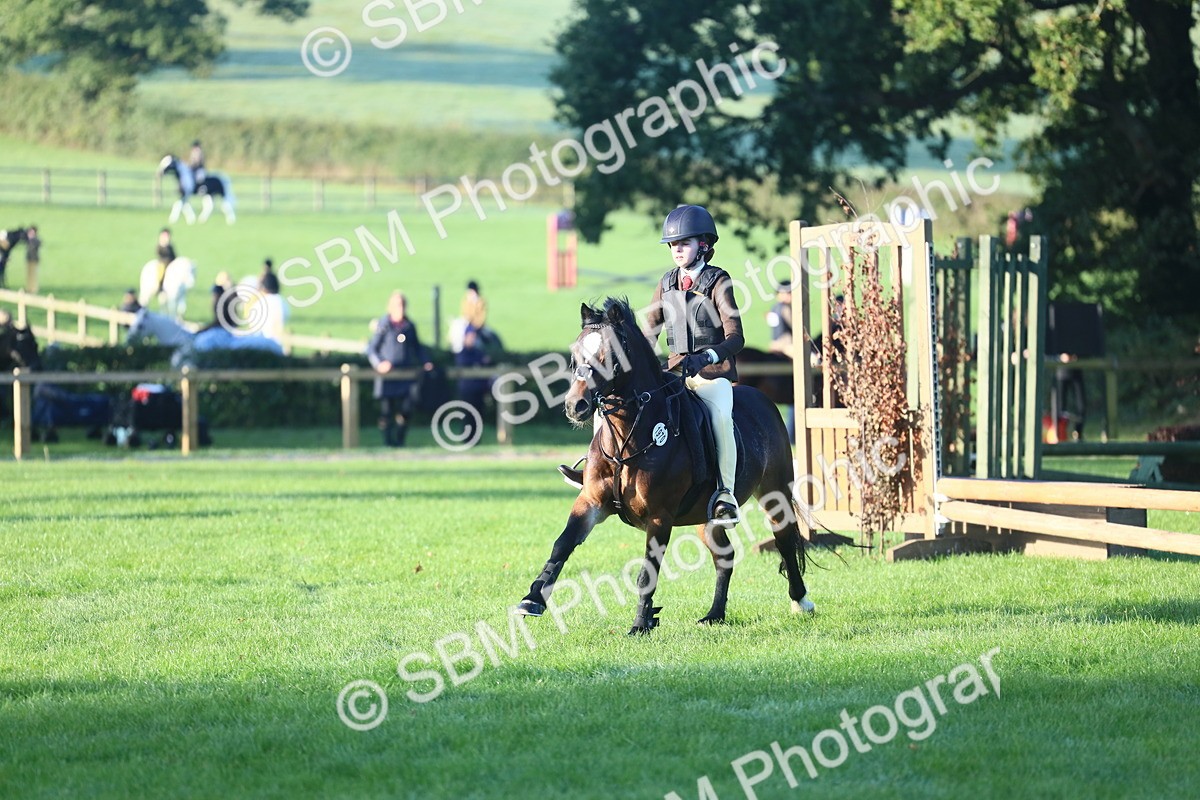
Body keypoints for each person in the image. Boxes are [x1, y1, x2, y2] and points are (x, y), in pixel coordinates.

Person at [558, 204, 745, 526]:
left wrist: (707, 356)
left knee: (719, 417)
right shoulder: (667, 282)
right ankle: (593, 472)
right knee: (612, 403)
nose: (677, 250)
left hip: (712, 375)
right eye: (673, 245)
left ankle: (725, 493)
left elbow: (735, 337)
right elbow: (649, 334)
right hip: (673, 374)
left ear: (703, 245)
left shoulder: (719, 281)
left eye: (683, 243)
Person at [368, 291, 434, 447]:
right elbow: (372, 349)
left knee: (406, 409)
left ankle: (400, 440)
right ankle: (387, 442)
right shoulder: (384, 325)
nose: (401, 308)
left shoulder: (409, 326)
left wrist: (426, 361)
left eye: (403, 305)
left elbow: (417, 347)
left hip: (405, 376)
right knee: (387, 412)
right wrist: (380, 364)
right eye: (398, 305)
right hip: (387, 377)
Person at [455, 324, 492, 441]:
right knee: (468, 416)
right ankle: (467, 439)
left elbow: (485, 362)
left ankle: (476, 439)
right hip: (467, 389)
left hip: (479, 389)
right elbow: (464, 363)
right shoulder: (463, 353)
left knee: (478, 416)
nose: (472, 339)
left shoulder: (478, 352)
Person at [766, 280, 793, 357]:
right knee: (812, 359)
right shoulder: (785, 308)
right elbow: (793, 325)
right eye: (789, 293)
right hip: (786, 345)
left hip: (774, 344)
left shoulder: (773, 308)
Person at [155, 228, 176, 294]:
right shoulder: (160, 245)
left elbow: (174, 254)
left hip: (171, 262)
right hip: (163, 262)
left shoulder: (170, 245)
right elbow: (159, 253)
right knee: (161, 271)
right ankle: (160, 286)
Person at [24, 225, 40, 294]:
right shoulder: (29, 240)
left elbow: (35, 245)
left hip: (34, 260)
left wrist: (31, 238)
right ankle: (29, 288)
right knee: (29, 274)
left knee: (33, 275)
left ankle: (33, 289)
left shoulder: (36, 240)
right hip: (29, 259)